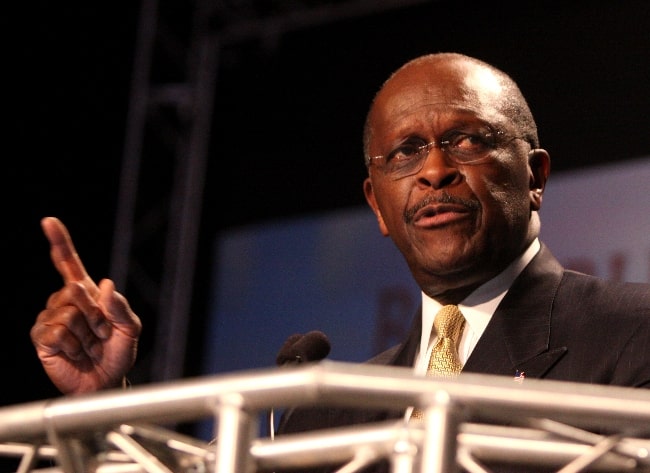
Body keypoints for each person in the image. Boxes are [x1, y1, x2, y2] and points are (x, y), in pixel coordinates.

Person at [31, 52, 650, 472]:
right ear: (377, 206)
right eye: (406, 153)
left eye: (465, 140)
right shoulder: (323, 414)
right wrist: (105, 407)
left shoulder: (632, 336)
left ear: (535, 176)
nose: (435, 170)